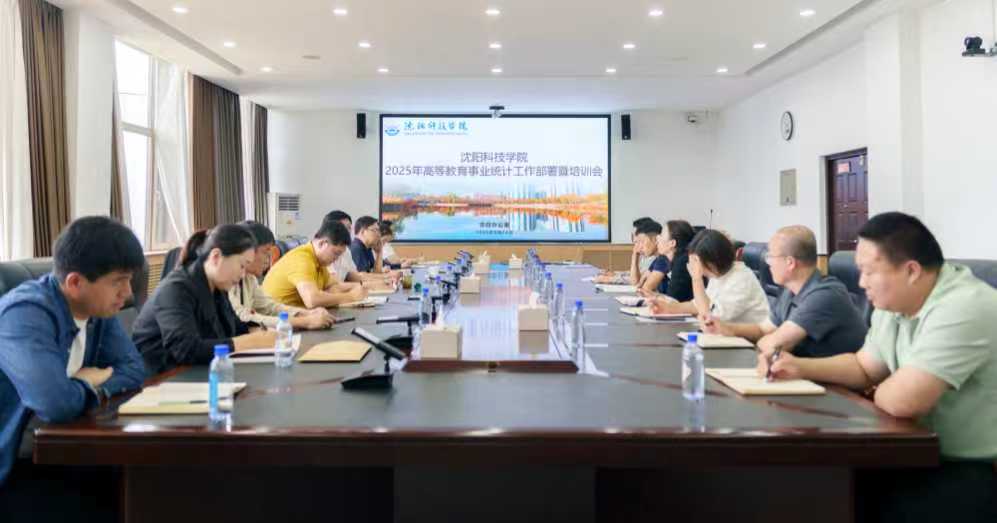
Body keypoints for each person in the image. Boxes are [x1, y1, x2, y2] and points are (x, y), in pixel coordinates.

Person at [759, 213, 996, 523]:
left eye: (869, 272)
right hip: (911, 451)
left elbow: (904, 402)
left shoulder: (964, 306)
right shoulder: (894, 303)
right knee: (801, 483)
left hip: (970, 468)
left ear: (911, 271)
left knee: (835, 500)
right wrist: (799, 367)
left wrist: (878, 390)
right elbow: (864, 367)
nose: (861, 283)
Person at [0, 217, 146, 488]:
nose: (127, 293)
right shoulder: (24, 314)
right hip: (16, 468)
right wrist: (87, 382)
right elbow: (55, 404)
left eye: (129, 280)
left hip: (65, 449)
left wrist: (87, 386)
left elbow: (134, 368)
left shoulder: (96, 309)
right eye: (118, 281)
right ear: (75, 282)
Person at [703, 225, 866, 357]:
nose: (768, 263)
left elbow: (774, 344)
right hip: (802, 377)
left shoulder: (825, 295)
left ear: (790, 263)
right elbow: (763, 330)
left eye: (770, 257)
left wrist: (766, 341)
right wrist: (725, 328)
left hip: (833, 385)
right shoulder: (789, 291)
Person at [133, 225, 277, 374]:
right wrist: (250, 342)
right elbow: (185, 349)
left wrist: (260, 332)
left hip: (197, 372)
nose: (243, 275)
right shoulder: (176, 289)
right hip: (162, 378)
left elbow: (235, 327)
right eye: (242, 266)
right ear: (216, 257)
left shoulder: (217, 287)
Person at [646, 229, 769, 323]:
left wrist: (696, 278)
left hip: (749, 345)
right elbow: (697, 305)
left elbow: (708, 317)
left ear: (712, 259)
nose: (693, 265)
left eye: (696, 261)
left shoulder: (741, 279)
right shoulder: (718, 275)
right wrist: (668, 308)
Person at [229, 221, 335, 330]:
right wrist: (305, 322)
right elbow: (243, 317)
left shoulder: (249, 278)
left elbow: (269, 307)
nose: (269, 258)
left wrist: (305, 313)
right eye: (265, 252)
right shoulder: (226, 280)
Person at [262, 219, 367, 309]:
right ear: (322, 243)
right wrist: (351, 296)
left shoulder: (319, 261)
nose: (336, 259)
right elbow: (312, 300)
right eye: (336, 253)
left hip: (299, 315)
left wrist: (357, 286)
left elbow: (333, 286)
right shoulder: (302, 259)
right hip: (279, 320)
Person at [323, 210, 397, 288]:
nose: (378, 234)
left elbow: (355, 276)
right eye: (374, 230)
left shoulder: (347, 251)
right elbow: (335, 286)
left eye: (349, 228)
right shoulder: (355, 248)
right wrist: (380, 281)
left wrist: (385, 279)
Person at [639, 220, 696, 303]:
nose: (657, 238)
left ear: (672, 243)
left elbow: (672, 300)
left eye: (662, 235)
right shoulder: (675, 259)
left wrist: (653, 295)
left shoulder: (682, 263)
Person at [594, 217, 655, 283]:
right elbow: (637, 273)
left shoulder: (654, 257)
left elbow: (638, 280)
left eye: (636, 235)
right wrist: (615, 274)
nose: (634, 239)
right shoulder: (645, 254)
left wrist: (610, 279)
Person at [631, 220, 670, 294]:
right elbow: (639, 284)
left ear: (656, 239)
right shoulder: (657, 260)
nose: (639, 247)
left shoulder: (664, 259)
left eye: (642, 242)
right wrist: (634, 256)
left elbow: (645, 289)